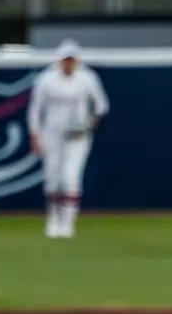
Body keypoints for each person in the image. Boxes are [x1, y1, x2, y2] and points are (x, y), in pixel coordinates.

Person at [28, 39, 111, 239]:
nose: (69, 63)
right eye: (66, 59)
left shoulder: (87, 78)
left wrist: (92, 121)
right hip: (52, 132)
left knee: (71, 178)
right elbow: (35, 109)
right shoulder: (46, 79)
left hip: (78, 134)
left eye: (72, 59)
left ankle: (68, 222)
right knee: (53, 178)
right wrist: (35, 134)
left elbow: (102, 105)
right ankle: (53, 219)